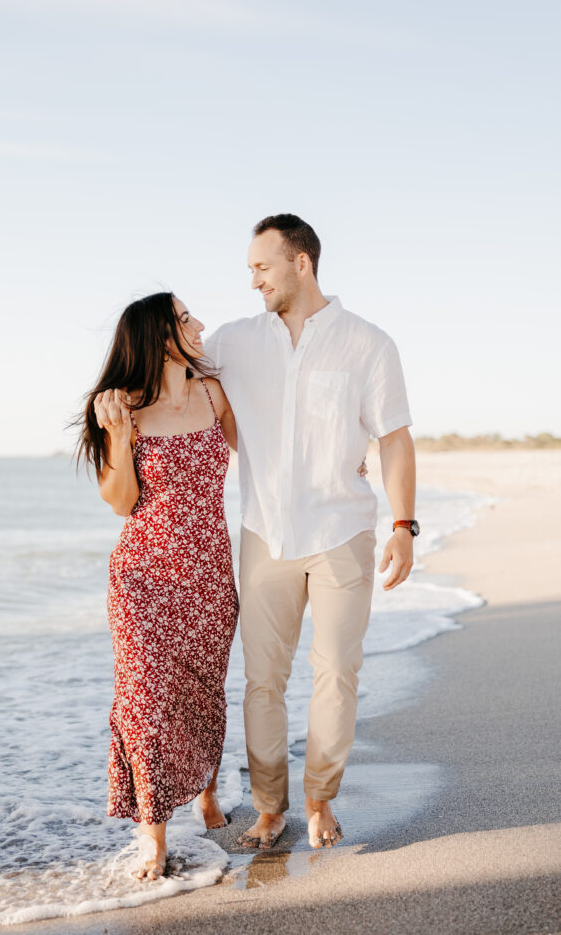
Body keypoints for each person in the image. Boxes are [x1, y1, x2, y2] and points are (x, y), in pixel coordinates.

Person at [202, 213, 418, 852]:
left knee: (336, 672)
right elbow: (167, 364)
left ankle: (320, 797)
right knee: (262, 678)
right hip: (263, 531)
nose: (253, 282)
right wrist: (111, 406)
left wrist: (404, 525)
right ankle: (269, 808)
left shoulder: (367, 343)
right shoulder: (233, 340)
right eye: (249, 271)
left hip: (342, 530)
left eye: (262, 268)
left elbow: (395, 438)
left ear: (302, 263)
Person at [74, 293, 239, 881]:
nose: (198, 323)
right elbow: (121, 503)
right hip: (144, 575)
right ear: (160, 335)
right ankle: (154, 833)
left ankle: (207, 790)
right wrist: (118, 436)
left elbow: (266, 455)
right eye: (187, 317)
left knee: (200, 690)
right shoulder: (126, 411)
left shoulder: (214, 394)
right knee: (144, 697)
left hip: (209, 573)